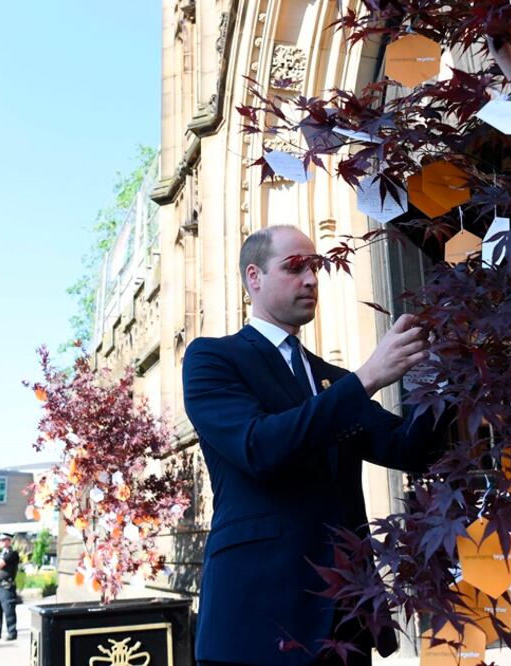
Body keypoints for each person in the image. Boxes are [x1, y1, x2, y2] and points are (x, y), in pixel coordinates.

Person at [182, 225, 450, 666]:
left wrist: (441, 375)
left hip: (344, 616)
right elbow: (258, 448)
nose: (311, 278)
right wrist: (368, 378)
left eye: (316, 267)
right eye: (294, 267)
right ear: (254, 277)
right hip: (258, 618)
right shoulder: (213, 358)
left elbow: (408, 450)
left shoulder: (334, 380)